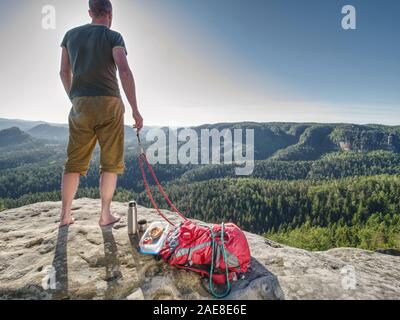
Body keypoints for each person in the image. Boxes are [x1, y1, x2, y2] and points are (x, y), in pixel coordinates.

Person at [59, 0, 143, 227]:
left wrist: (74, 97)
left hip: (80, 104)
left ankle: (65, 215)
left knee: (73, 162)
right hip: (109, 103)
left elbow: (63, 71)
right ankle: (104, 215)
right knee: (110, 162)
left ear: (90, 12)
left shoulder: (70, 36)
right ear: (110, 13)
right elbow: (123, 71)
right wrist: (135, 109)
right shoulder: (114, 37)